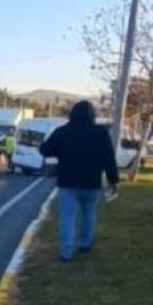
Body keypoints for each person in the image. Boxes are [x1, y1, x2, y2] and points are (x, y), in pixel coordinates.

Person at [39, 100, 120, 262]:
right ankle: (85, 244)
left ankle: (66, 252)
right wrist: (113, 180)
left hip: (67, 181)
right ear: (92, 115)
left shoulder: (63, 132)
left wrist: (60, 151)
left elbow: (45, 150)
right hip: (91, 182)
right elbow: (109, 158)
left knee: (67, 217)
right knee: (89, 214)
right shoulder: (100, 132)